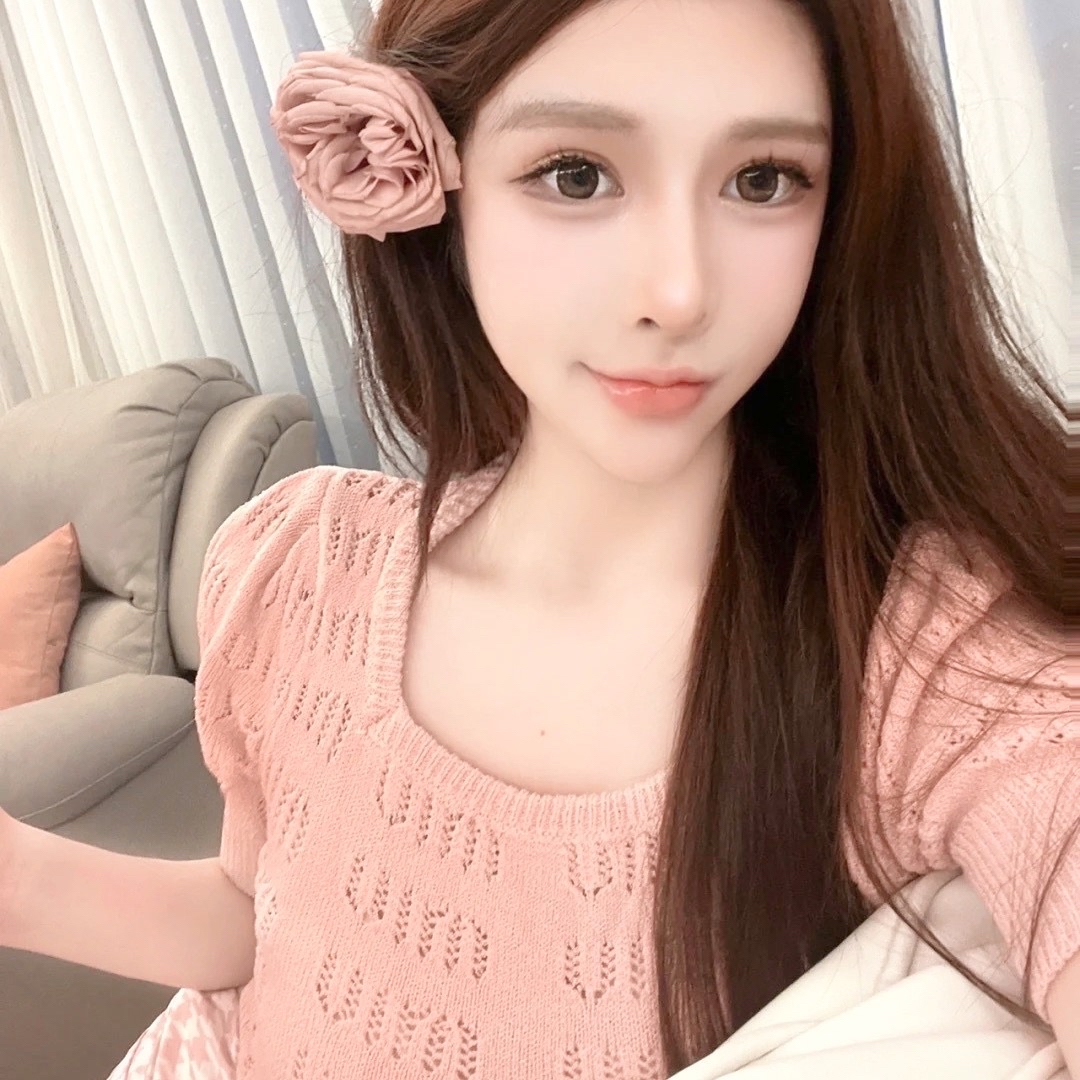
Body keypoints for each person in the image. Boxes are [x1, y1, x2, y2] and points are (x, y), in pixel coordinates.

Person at [0, 0, 1074, 1076]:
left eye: (762, 179)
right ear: (439, 191)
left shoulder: (929, 648)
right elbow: (261, 918)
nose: (679, 294)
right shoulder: (296, 564)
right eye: (576, 174)